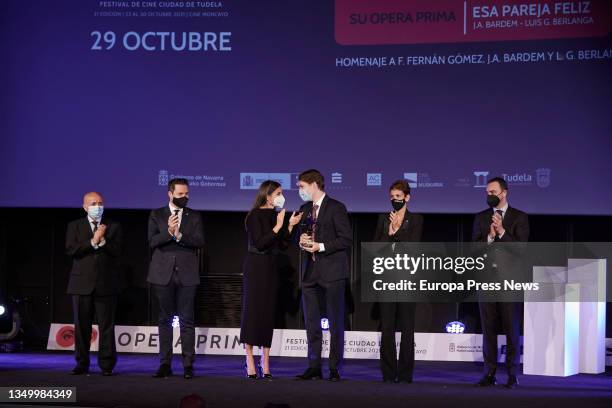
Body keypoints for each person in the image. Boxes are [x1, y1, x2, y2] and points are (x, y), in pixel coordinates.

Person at [240, 180, 302, 379]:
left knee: (268, 312)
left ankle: (265, 360)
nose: (281, 196)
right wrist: (277, 227)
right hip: (256, 266)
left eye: (281, 193)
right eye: (278, 193)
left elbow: (282, 245)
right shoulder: (254, 216)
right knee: (252, 310)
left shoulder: (278, 215)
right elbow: (260, 243)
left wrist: (290, 226)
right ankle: (249, 356)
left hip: (271, 268)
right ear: (267, 195)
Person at [295, 169, 352, 382]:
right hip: (310, 273)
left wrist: (320, 246)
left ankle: (334, 367)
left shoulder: (336, 208)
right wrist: (301, 241)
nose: (300, 190)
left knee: (336, 322)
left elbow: (345, 239)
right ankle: (314, 366)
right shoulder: (304, 208)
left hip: (332, 273)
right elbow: (302, 239)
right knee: (311, 322)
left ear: (314, 185)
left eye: (302, 186)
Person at [472, 177, 529, 389]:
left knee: (511, 329)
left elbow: (521, 250)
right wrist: (490, 236)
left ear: (504, 193)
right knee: (489, 329)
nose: (489, 195)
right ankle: (489, 373)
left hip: (509, 282)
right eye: (487, 192)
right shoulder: (480, 218)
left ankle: (512, 374)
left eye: (493, 192)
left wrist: (503, 233)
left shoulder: (519, 218)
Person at [147, 178, 204, 379]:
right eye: (180, 194)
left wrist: (179, 235)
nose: (184, 197)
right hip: (162, 274)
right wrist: (168, 232)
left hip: (187, 274)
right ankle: (165, 364)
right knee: (165, 320)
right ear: (170, 194)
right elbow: (152, 241)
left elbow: (199, 241)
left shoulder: (194, 216)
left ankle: (188, 365)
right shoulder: (156, 214)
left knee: (187, 320)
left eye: (186, 194)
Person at [65, 191, 123, 376]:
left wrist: (103, 240)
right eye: (93, 204)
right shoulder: (74, 226)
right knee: (82, 327)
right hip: (81, 284)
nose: (97, 207)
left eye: (100, 203)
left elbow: (118, 251)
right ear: (84, 207)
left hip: (106, 284)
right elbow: (71, 250)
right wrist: (92, 241)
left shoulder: (113, 226)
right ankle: (82, 364)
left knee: (106, 326)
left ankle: (107, 365)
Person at [373, 180, 423, 383]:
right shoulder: (383, 219)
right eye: (392, 197)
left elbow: (413, 246)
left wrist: (398, 231)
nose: (395, 200)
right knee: (386, 327)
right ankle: (388, 373)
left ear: (407, 198)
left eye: (398, 197)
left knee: (407, 328)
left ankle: (405, 374)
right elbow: (375, 247)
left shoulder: (416, 219)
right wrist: (390, 233)